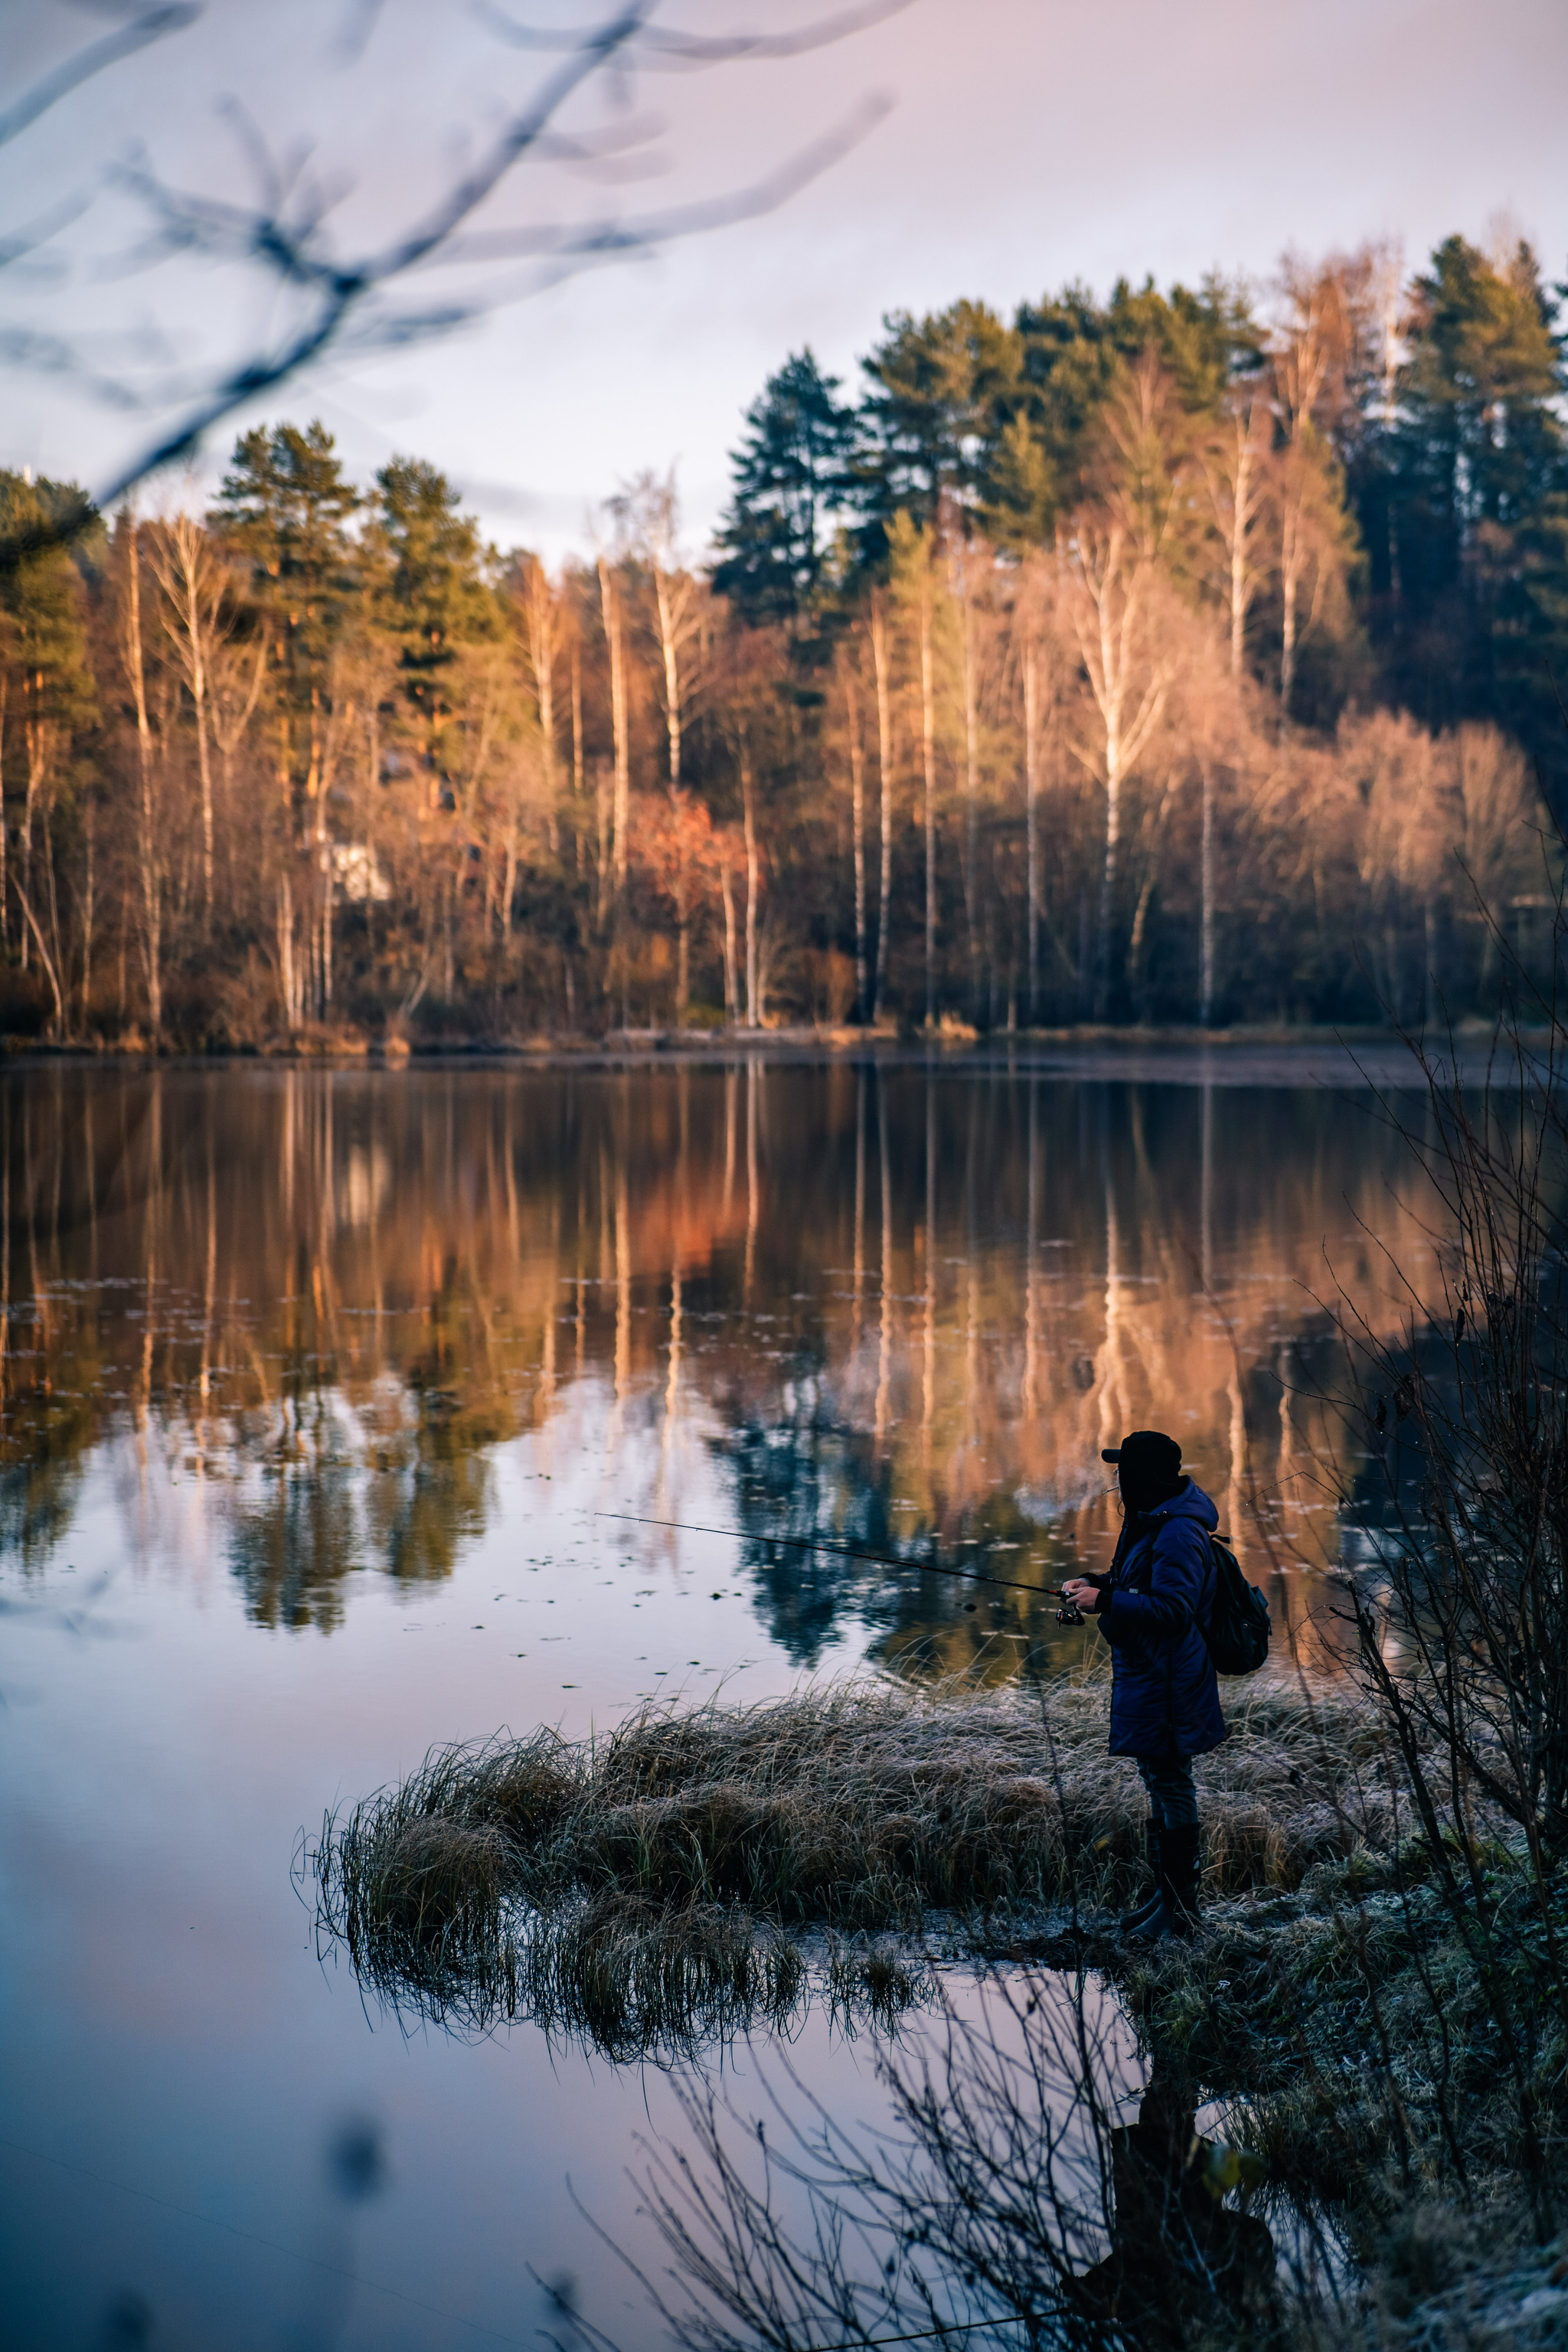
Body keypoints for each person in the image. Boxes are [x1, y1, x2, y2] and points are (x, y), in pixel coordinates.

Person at [1062, 1429, 1225, 1941]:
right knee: (1157, 1779)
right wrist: (1094, 1585)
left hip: (1171, 1678)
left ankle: (1181, 1911)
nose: (1117, 1481)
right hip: (1150, 1673)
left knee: (1172, 1782)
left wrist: (1106, 1603)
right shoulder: (1150, 1519)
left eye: (1123, 1472)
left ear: (1144, 1477)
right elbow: (1138, 1585)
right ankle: (1165, 1899)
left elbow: (1174, 1610)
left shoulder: (1178, 1531)